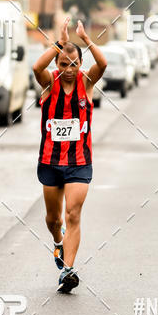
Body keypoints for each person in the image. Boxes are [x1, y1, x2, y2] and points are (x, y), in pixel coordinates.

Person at [32, 17, 107, 294]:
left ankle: (68, 270)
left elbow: (103, 65)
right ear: (58, 65)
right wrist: (60, 43)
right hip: (50, 162)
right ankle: (58, 241)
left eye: (73, 64)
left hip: (79, 162)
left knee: (73, 213)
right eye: (64, 64)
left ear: (79, 65)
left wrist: (86, 40)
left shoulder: (85, 83)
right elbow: (36, 66)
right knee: (54, 220)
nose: (68, 69)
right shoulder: (48, 82)